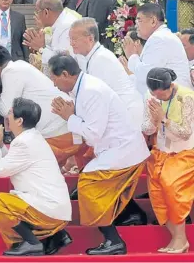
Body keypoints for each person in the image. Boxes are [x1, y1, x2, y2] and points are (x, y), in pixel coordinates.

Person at [48, 54, 150, 255]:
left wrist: (69, 117)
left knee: (88, 184)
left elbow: (93, 135)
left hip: (122, 150)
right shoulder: (83, 89)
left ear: (66, 74)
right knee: (92, 185)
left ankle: (114, 241)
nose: (53, 84)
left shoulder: (91, 91)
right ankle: (131, 215)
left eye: (54, 78)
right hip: (117, 149)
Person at [0, 97, 72, 256]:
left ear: (19, 121)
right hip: (53, 206)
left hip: (49, 208)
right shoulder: (31, 137)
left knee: (0, 203)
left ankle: (32, 243)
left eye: (11, 113)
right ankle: (53, 237)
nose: (7, 116)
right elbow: (11, 163)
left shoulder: (24, 142)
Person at [0, 45, 81, 168]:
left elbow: (6, 109)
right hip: (66, 127)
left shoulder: (11, 71)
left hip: (57, 132)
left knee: (30, 167)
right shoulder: (20, 66)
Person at [142, 68, 194, 254]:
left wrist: (164, 120)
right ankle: (177, 239)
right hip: (160, 153)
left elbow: (185, 132)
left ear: (170, 86)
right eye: (155, 94)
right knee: (157, 195)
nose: (159, 98)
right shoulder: (152, 97)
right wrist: (154, 121)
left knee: (172, 190)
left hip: (183, 153)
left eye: (162, 94)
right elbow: (146, 129)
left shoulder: (187, 97)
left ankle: (181, 240)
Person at [71, 18, 144, 129]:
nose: (71, 43)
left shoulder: (101, 59)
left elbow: (97, 100)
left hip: (127, 117)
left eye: (74, 39)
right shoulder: (93, 57)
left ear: (90, 39)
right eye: (70, 39)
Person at [124, 3, 192, 95]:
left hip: (175, 102)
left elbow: (147, 75)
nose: (136, 26)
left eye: (139, 21)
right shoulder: (160, 37)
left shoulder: (159, 38)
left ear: (153, 21)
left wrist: (132, 56)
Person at [23, 0, 78, 77]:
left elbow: (64, 62)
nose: (37, 16)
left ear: (46, 12)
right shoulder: (61, 22)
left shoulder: (67, 27)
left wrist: (41, 48)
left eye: (37, 12)